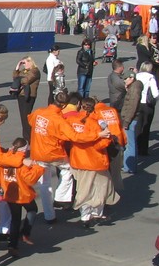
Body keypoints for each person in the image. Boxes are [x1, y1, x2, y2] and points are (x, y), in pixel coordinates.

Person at [28, 91, 109, 222]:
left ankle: (49, 216)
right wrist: (98, 135)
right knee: (68, 170)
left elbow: (30, 120)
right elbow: (76, 136)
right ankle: (61, 197)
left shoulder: (38, 112)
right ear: (65, 105)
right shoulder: (59, 121)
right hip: (54, 154)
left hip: (37, 152)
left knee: (44, 184)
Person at [68, 97, 119, 226]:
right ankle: (97, 213)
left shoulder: (72, 120)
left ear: (80, 106)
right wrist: (106, 137)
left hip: (78, 160)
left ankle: (85, 216)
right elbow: (100, 144)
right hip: (96, 161)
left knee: (83, 189)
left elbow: (71, 136)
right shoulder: (96, 123)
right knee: (100, 188)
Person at [134, 61, 159, 156]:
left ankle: (135, 147)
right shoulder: (151, 78)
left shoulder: (136, 76)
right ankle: (143, 150)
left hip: (137, 103)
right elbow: (155, 94)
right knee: (145, 127)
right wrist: (155, 101)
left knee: (137, 127)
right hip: (147, 105)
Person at [12, 56, 42, 139]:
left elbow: (26, 80)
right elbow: (15, 78)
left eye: (24, 63)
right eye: (23, 63)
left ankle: (30, 137)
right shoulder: (24, 71)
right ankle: (26, 136)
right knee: (23, 117)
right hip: (20, 95)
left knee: (26, 117)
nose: (24, 65)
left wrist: (19, 79)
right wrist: (17, 68)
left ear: (30, 62)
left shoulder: (35, 71)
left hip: (29, 95)